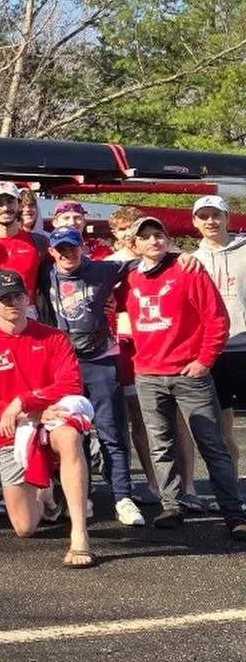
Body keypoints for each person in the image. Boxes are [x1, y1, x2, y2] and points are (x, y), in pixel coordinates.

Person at [119, 216, 246, 537]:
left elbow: (217, 319)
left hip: (189, 372)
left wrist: (204, 361)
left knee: (211, 443)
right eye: (144, 237)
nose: (153, 241)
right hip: (148, 374)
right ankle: (171, 505)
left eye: (158, 234)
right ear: (132, 246)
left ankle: (233, 513)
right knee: (160, 445)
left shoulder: (188, 270)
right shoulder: (130, 278)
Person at [0, 270, 95, 567]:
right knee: (25, 528)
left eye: (17, 296)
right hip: (14, 434)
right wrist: (21, 410)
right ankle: (45, 495)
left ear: (27, 298)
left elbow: (71, 384)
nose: (13, 302)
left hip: (52, 420)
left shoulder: (53, 337)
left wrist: (23, 401)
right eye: (4, 298)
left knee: (71, 436)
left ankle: (79, 535)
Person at [43, 225, 140, 525]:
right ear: (51, 252)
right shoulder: (44, 274)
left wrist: (183, 256)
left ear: (83, 247)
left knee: (111, 431)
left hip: (100, 359)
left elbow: (144, 259)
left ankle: (123, 496)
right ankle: (80, 494)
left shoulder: (103, 269)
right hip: (65, 364)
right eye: (61, 249)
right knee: (74, 432)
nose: (67, 253)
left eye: (72, 247)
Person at [190, 194, 246, 480]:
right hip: (215, 353)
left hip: (245, 347)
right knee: (224, 433)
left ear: (227, 218)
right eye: (204, 216)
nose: (211, 221)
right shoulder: (190, 261)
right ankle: (233, 492)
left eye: (216, 215)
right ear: (195, 222)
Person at [0, 182, 45, 325]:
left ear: (19, 204)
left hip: (28, 316)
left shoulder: (39, 242)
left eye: (10, 201)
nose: (5, 208)